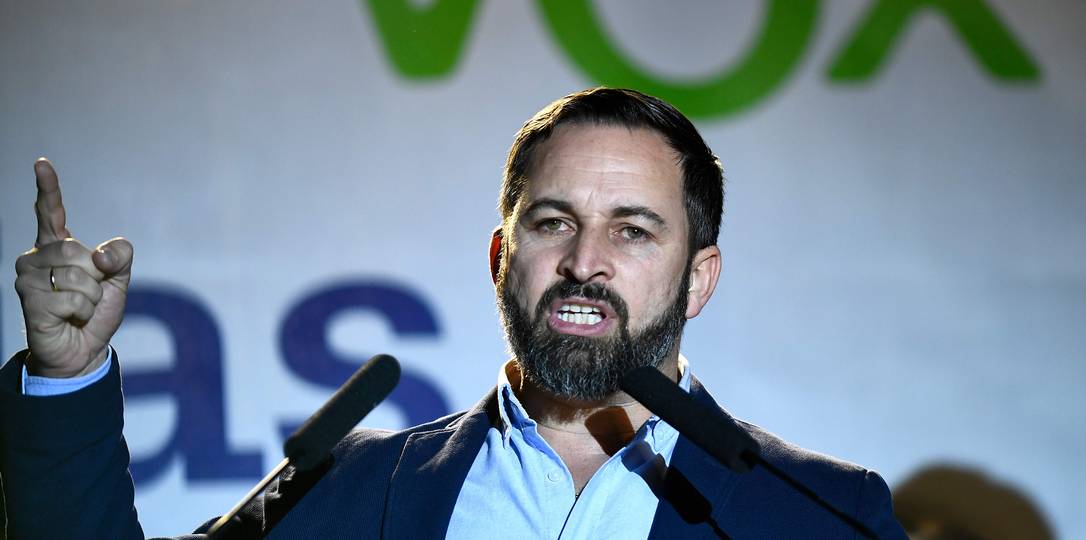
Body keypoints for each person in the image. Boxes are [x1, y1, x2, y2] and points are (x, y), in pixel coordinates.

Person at [0, 88, 906, 538]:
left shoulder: (826, 514)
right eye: (553, 223)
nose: (584, 263)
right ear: (501, 258)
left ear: (699, 280)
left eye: (632, 231)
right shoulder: (350, 488)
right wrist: (65, 377)